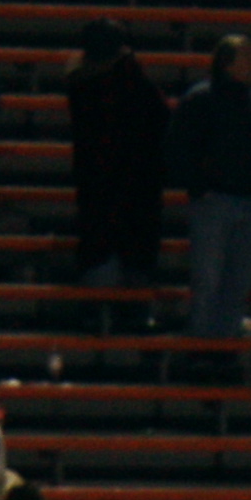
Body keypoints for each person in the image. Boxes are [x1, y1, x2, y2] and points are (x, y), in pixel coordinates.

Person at [166, 33, 251, 342]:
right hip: (215, 199)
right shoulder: (201, 100)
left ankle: (225, 344)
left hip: (248, 200)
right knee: (208, 279)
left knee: (238, 281)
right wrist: (197, 184)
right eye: (247, 57)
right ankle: (203, 343)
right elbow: (177, 147)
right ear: (229, 64)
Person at [61, 19, 169, 312]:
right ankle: (132, 313)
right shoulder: (134, 80)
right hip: (136, 181)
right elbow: (161, 124)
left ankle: (101, 315)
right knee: (133, 255)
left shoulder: (80, 83)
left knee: (100, 250)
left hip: (96, 180)